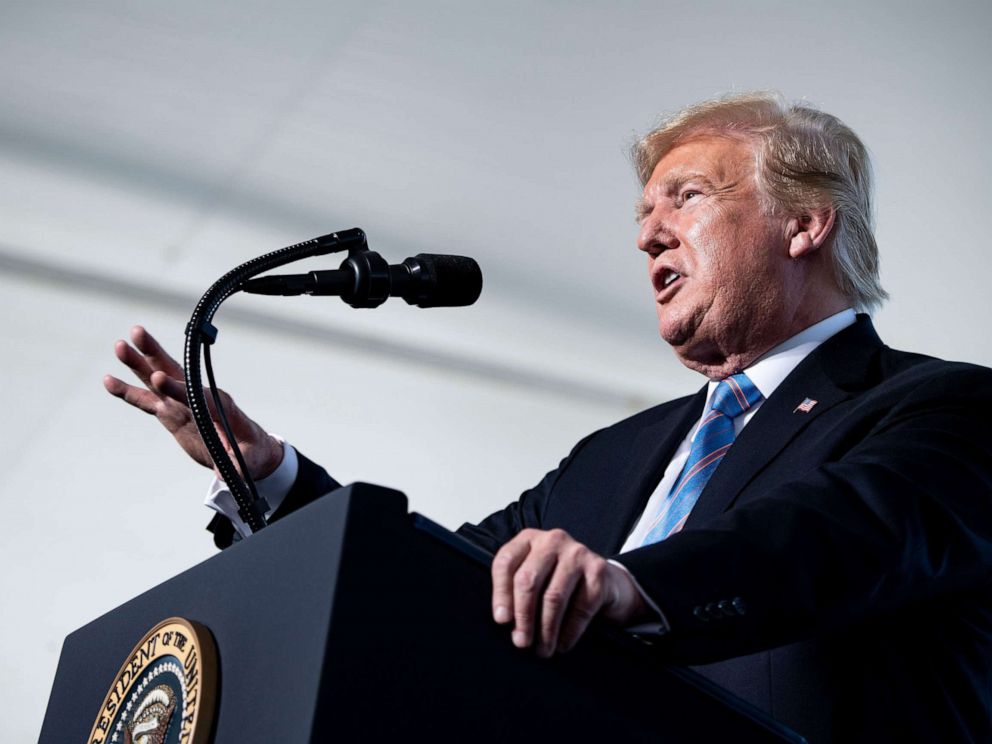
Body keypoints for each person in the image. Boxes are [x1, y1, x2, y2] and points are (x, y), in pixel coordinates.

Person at [105, 92, 992, 741]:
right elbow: (431, 586)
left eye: (685, 197)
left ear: (803, 223)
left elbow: (824, 540)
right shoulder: (619, 455)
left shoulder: (946, 408)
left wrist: (630, 585)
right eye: (643, 213)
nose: (647, 234)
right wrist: (266, 475)